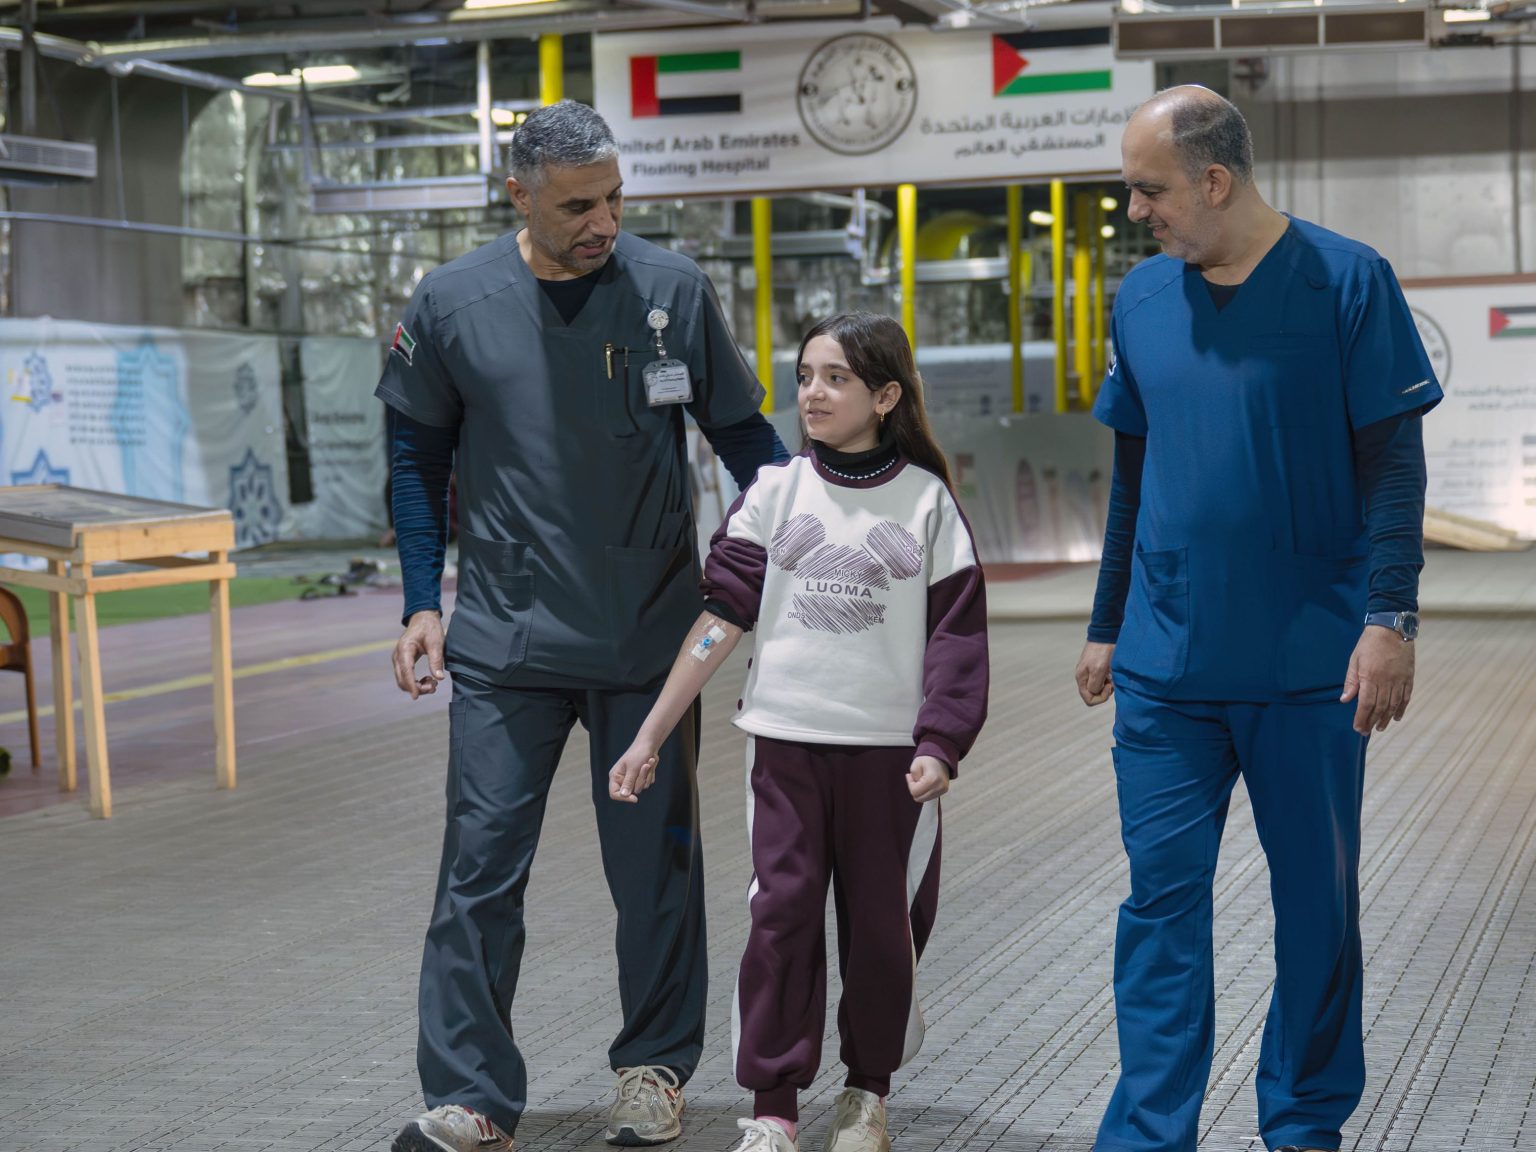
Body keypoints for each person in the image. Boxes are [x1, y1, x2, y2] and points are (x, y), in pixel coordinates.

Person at [377, 99, 789, 1152]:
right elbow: (416, 462)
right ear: (518, 193)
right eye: (576, 206)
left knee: (655, 872)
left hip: (648, 637)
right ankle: (472, 1095)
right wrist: (422, 600)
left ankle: (653, 1070)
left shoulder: (670, 291)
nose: (603, 221)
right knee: (479, 868)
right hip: (504, 635)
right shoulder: (454, 303)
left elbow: (746, 438)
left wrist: (804, 548)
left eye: (613, 198)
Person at [1074, 87, 1440, 1152]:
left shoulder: (1348, 281)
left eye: (1148, 190)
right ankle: (1148, 1134)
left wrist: (1391, 617)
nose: (1135, 211)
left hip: (1309, 663)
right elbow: (1132, 475)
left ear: (1215, 180)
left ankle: (1304, 1123)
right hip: (1166, 664)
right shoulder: (1144, 297)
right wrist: (1106, 622)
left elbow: (1393, 467)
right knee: (1160, 908)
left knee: (1316, 907)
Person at [608, 312, 990, 1152]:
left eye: (836, 379)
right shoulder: (775, 494)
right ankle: (774, 1106)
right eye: (806, 376)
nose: (813, 394)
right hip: (784, 749)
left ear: (886, 396)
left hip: (890, 764)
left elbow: (958, 639)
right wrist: (649, 735)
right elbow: (719, 621)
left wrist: (940, 743)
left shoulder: (927, 502)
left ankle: (866, 1094)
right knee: (780, 917)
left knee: (882, 929)